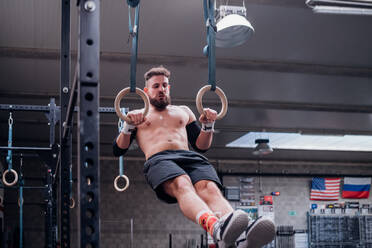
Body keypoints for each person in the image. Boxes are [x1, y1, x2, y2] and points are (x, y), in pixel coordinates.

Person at [113, 66, 275, 248]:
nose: (161, 90)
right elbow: (118, 149)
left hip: (189, 157)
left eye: (164, 85)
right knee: (182, 183)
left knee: (210, 188)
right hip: (160, 159)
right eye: (156, 86)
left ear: (169, 87)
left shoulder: (183, 111)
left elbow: (201, 146)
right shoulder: (138, 116)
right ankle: (215, 228)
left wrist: (208, 125)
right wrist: (127, 126)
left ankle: (240, 240)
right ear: (146, 91)